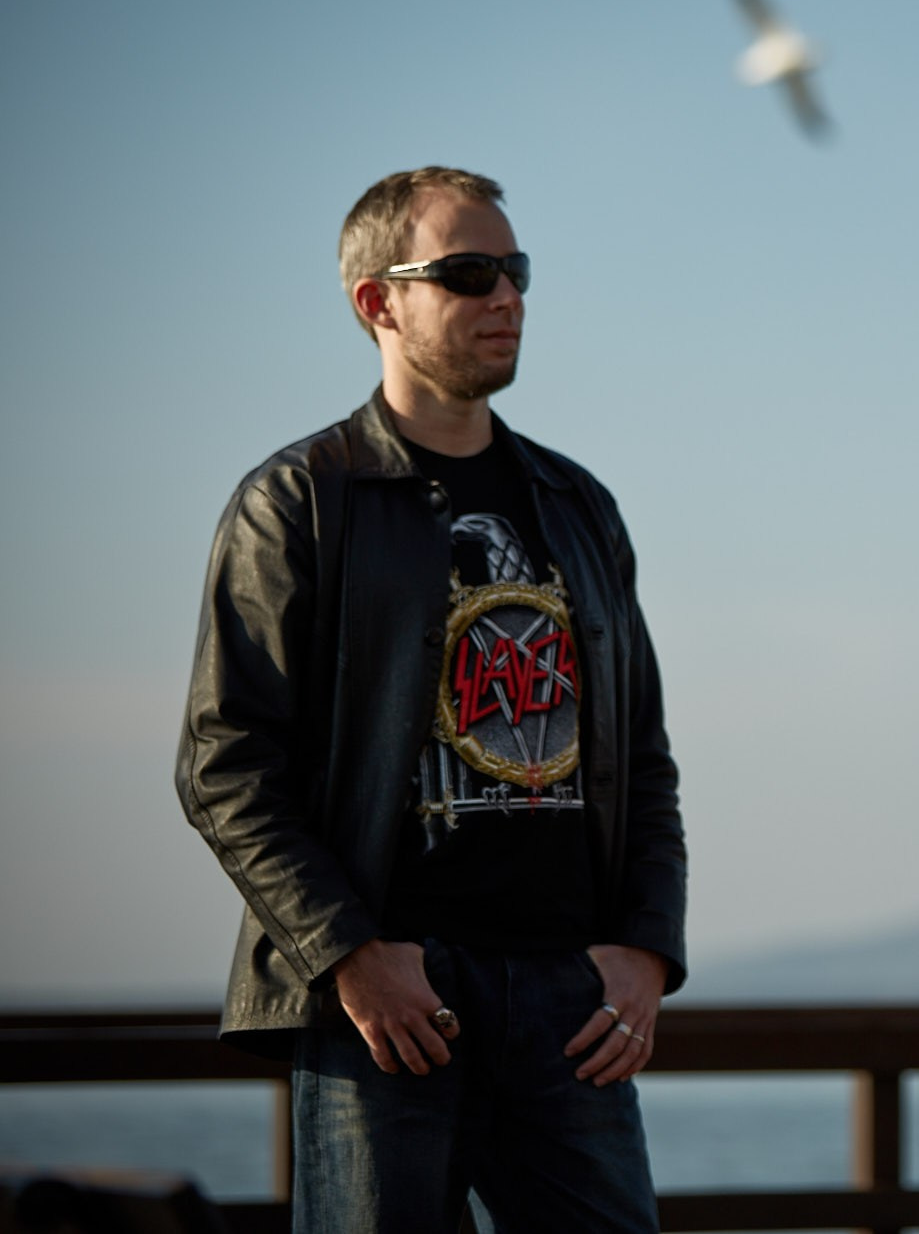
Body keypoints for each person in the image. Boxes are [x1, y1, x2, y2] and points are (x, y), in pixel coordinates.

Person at [176, 167, 686, 1233]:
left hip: (568, 1003)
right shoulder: (300, 502)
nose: (505, 296)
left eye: (515, 271)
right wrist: (351, 957)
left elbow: (638, 755)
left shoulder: (578, 506)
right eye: (466, 274)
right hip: (389, 1010)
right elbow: (224, 763)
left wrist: (644, 950)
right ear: (378, 303)